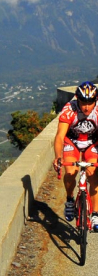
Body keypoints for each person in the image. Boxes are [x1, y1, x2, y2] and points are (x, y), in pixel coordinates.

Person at [54, 81, 98, 228]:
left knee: (93, 175)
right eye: (83, 102)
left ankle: (95, 215)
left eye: (90, 102)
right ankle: (69, 199)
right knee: (71, 172)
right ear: (77, 100)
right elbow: (60, 136)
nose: (86, 106)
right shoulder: (69, 109)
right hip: (72, 142)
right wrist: (58, 157)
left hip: (92, 143)